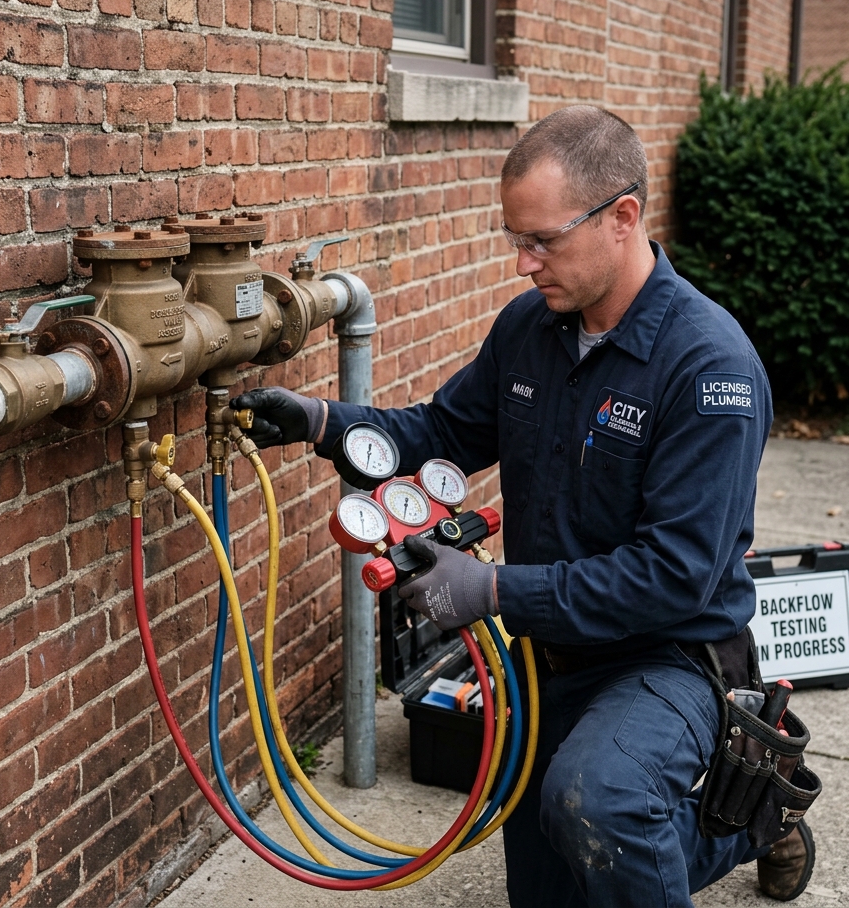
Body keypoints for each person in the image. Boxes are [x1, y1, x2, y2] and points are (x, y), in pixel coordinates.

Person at [232, 106, 815, 906]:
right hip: (547, 665)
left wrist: (494, 592)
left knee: (598, 802)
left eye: (542, 240)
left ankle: (752, 815)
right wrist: (326, 422)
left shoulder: (709, 370)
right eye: (516, 239)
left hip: (666, 659)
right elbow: (444, 431)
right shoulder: (531, 328)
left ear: (623, 218)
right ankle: (736, 820)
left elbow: (674, 577)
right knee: (552, 879)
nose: (522, 263)